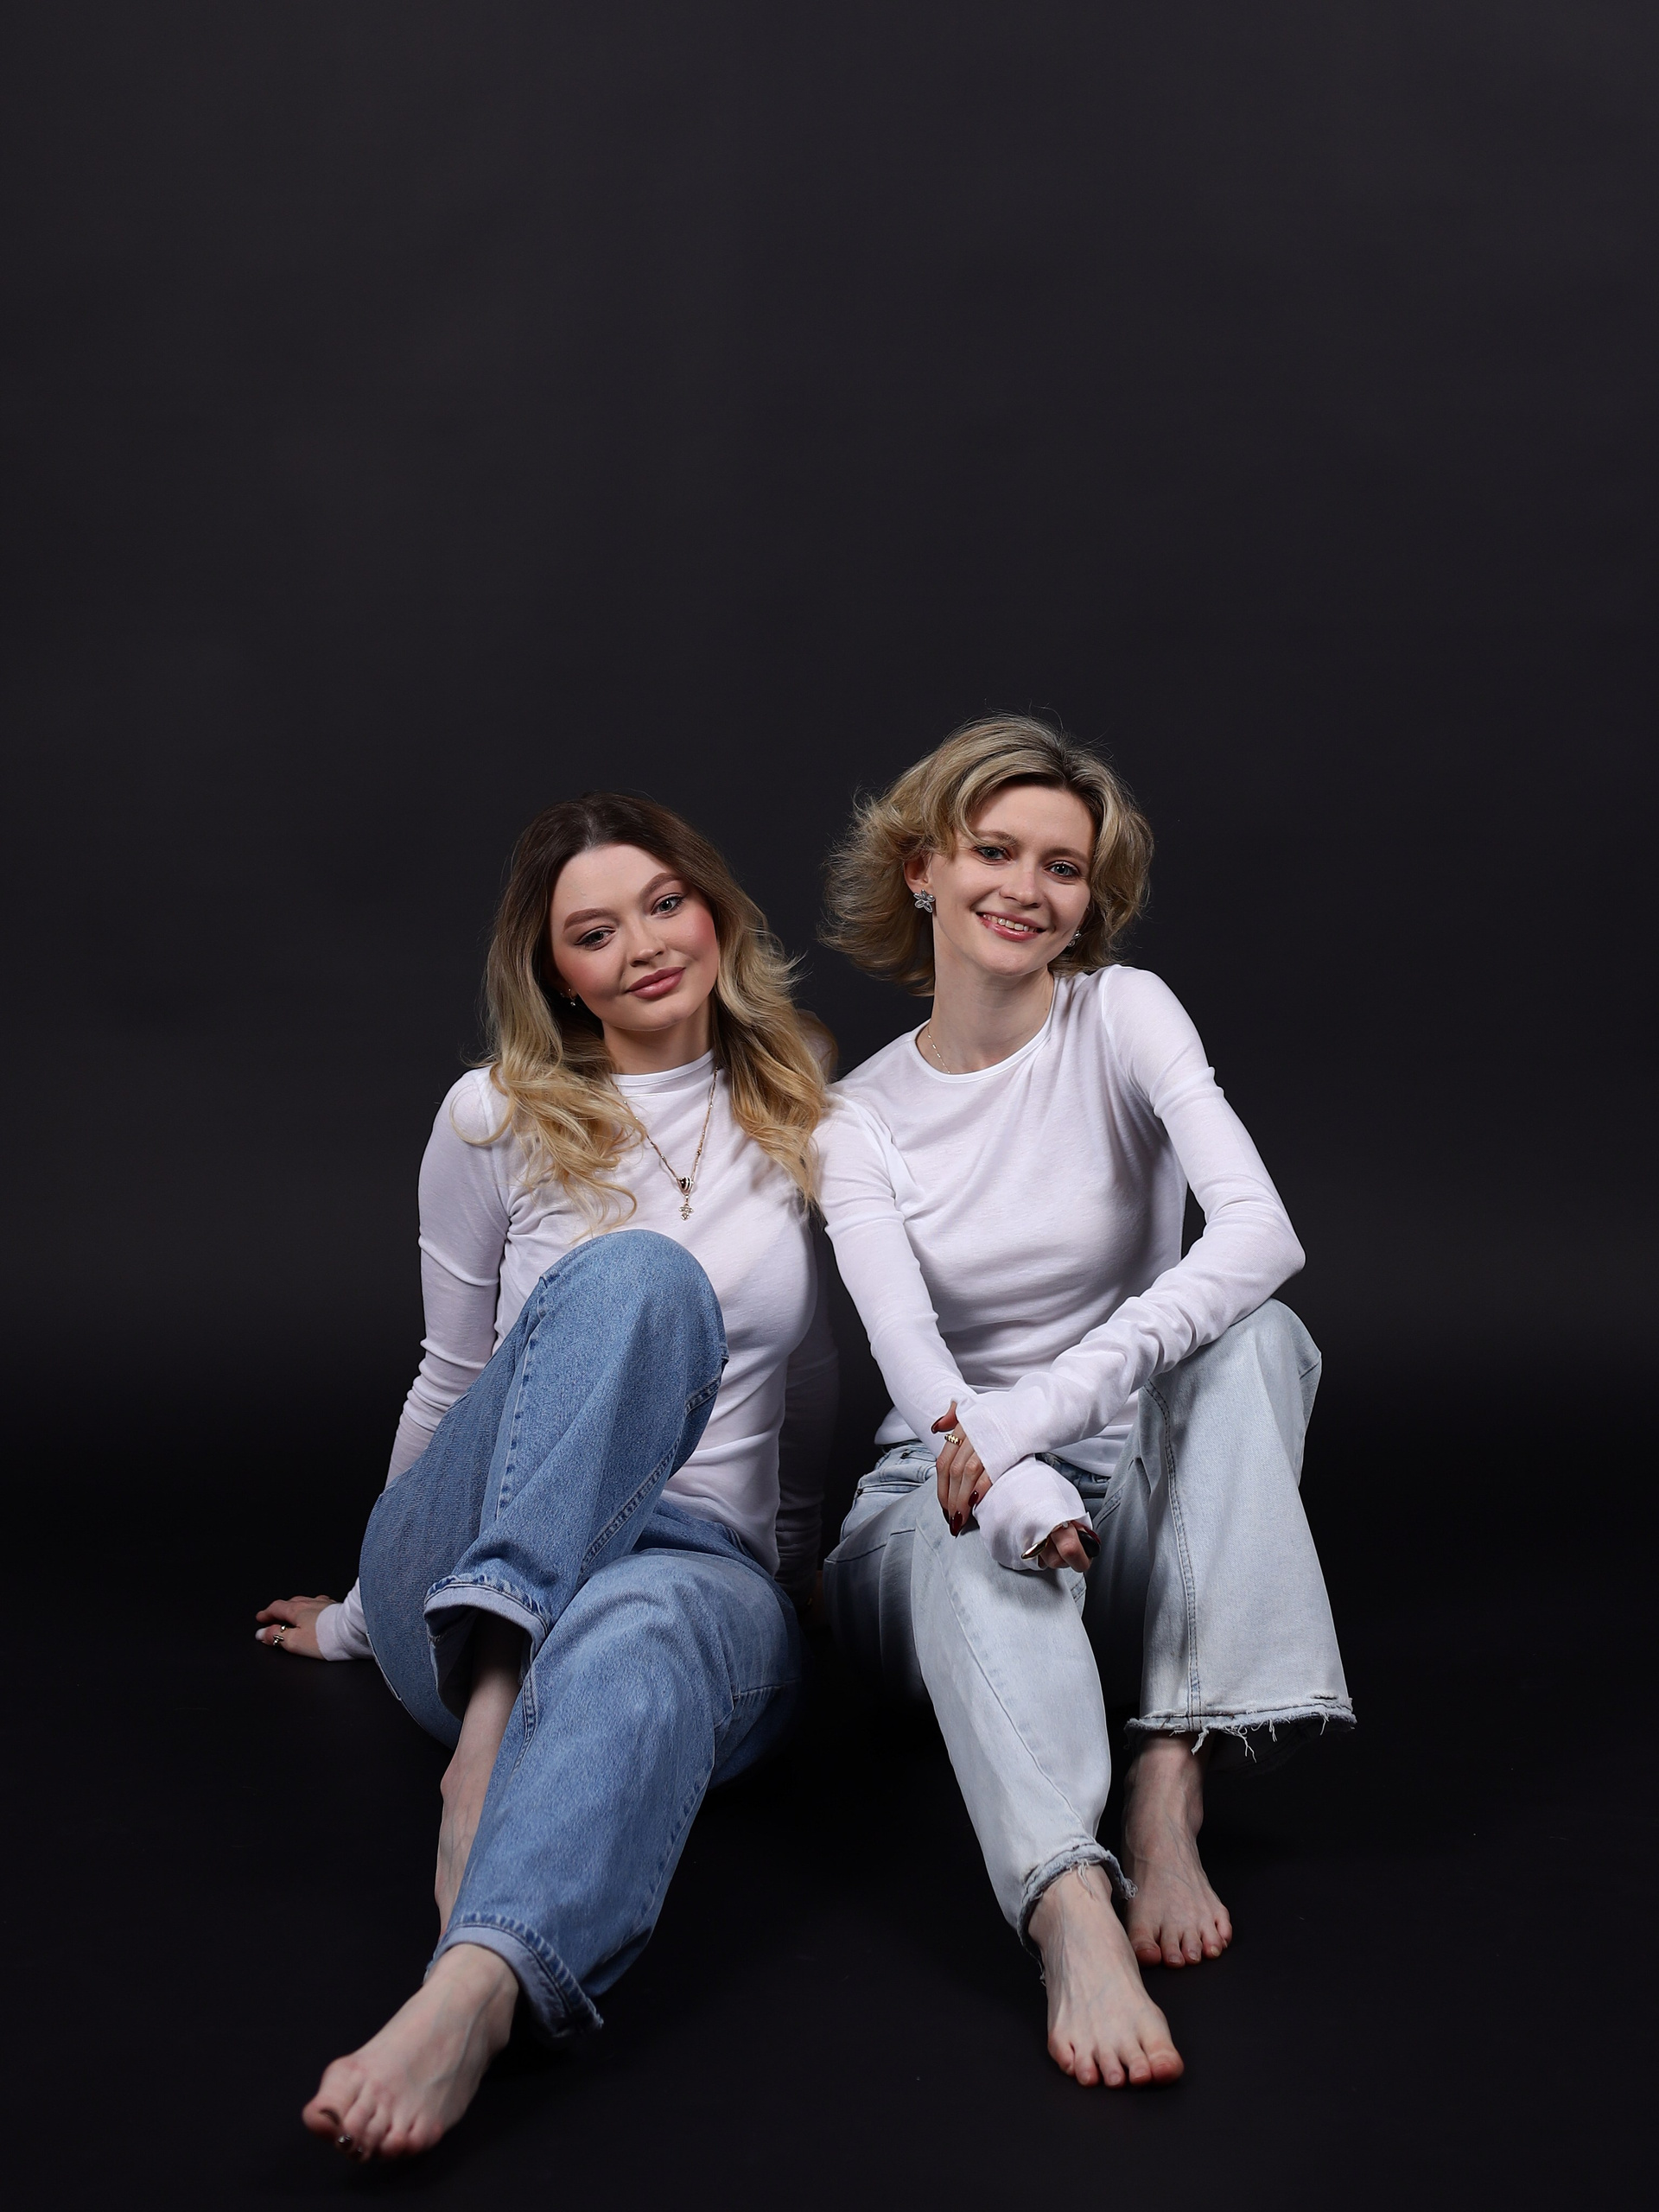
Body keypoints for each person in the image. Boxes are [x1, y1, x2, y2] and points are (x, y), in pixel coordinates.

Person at [255, 792, 836, 2160]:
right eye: (595, 931)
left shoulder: (801, 1088)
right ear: (556, 972)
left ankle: (470, 1993)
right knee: (643, 1282)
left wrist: (796, 1565)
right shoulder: (495, 1115)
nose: (644, 945)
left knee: (646, 1626)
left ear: (714, 913)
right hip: (466, 1577)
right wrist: (363, 1612)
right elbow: (449, 1379)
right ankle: (492, 1715)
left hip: (692, 1562)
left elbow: (810, 1370)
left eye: (664, 904)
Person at [816, 715, 1352, 2091]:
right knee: (969, 1525)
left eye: (1063, 867)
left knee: (1259, 1338)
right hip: (932, 1509)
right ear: (924, 869)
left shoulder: (1124, 1014)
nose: (1027, 889)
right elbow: (924, 1379)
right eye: (993, 851)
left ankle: (1170, 1768)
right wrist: (1007, 1463)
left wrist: (1043, 1411)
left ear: (1089, 896)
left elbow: (1259, 1236)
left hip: (1129, 1517)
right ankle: (1069, 1906)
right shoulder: (856, 1123)